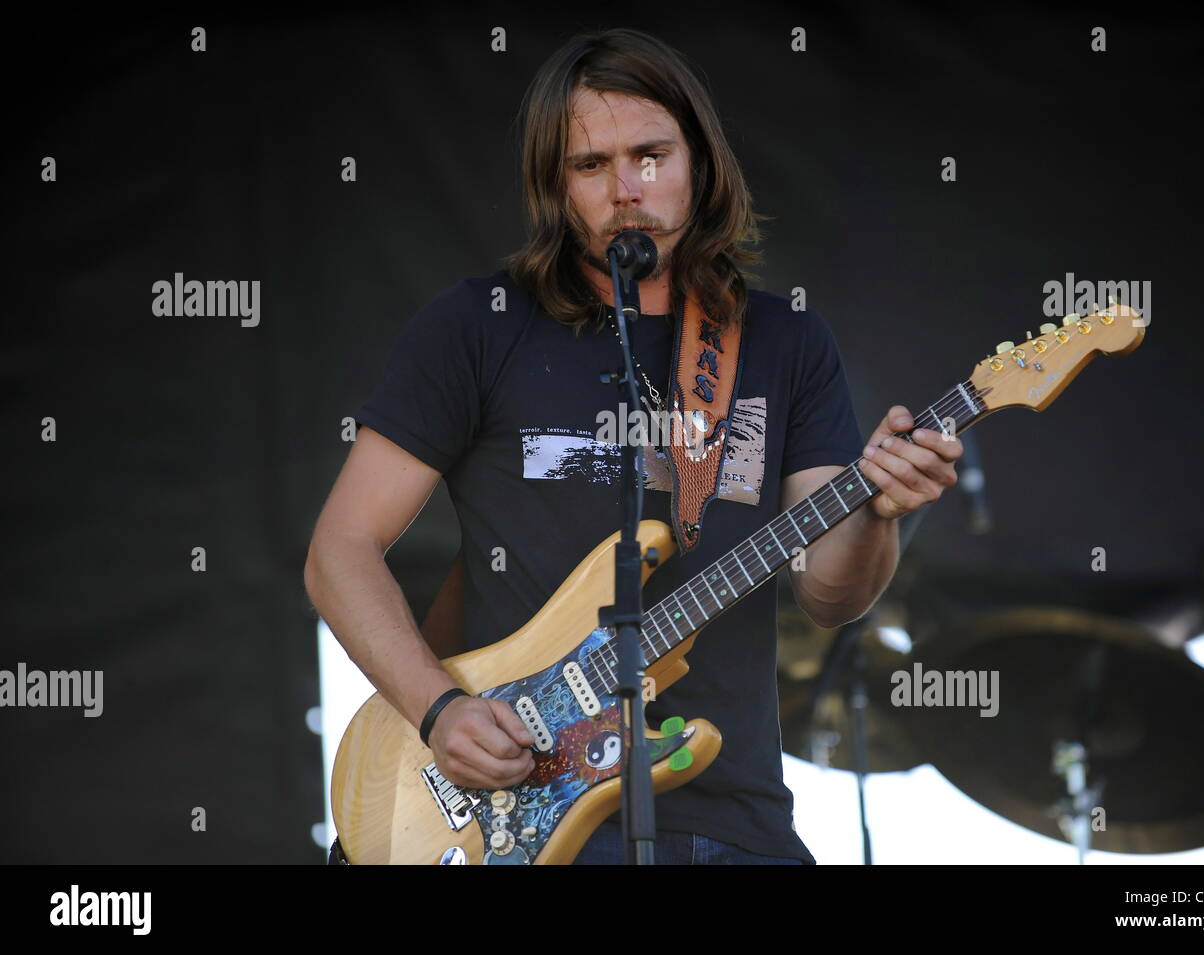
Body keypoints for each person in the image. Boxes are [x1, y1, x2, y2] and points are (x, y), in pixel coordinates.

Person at [305, 27, 963, 865]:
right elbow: (340, 550)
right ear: (556, 185)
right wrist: (439, 711)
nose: (626, 189)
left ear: (699, 161)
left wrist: (879, 512)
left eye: (651, 155)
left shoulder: (785, 341)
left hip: (732, 823)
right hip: (513, 810)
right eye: (591, 166)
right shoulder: (476, 327)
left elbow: (832, 595)